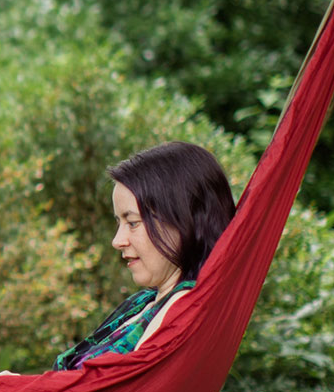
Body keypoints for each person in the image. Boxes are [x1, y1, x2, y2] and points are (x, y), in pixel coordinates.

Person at [53, 141, 237, 370]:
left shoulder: (181, 306)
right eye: (119, 222)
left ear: (183, 221)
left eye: (132, 223)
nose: (117, 241)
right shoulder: (145, 302)